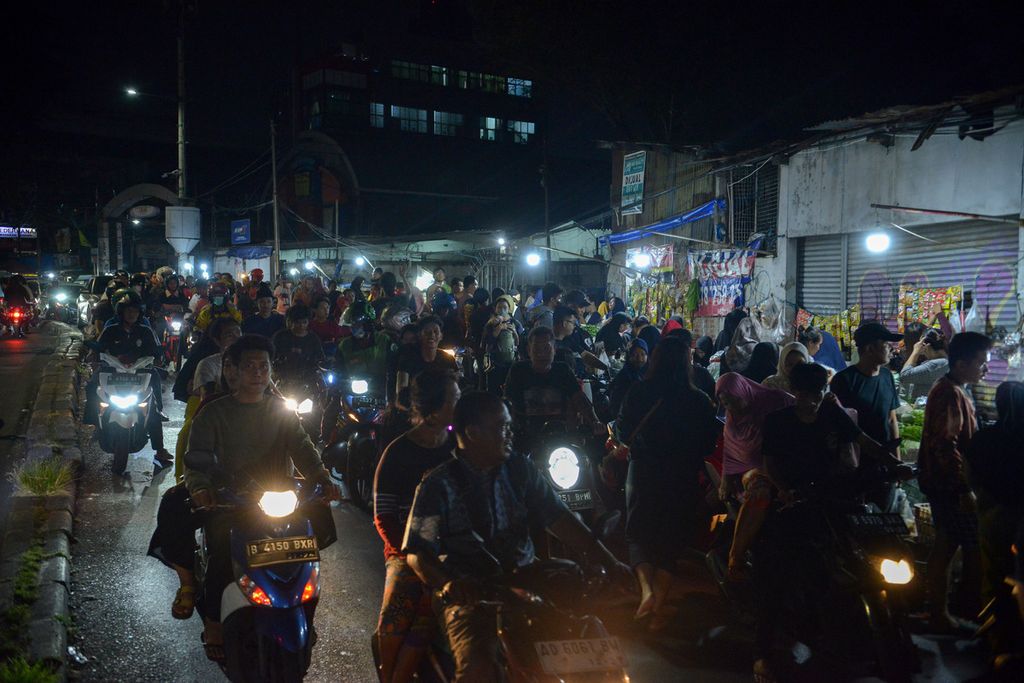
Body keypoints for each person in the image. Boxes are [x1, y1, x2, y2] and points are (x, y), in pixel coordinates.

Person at [402, 391, 631, 682]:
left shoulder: (520, 469)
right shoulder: (437, 484)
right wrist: (450, 583)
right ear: (472, 433)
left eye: (509, 426)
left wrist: (610, 562)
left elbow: (559, 518)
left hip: (528, 581)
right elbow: (417, 554)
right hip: (473, 595)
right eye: (502, 428)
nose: (510, 434)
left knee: (591, 640)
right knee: (479, 669)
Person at [184, 334, 339, 661]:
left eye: (263, 367)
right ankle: (213, 620)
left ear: (271, 372)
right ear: (232, 372)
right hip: (231, 498)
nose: (257, 373)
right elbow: (196, 458)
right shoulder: (213, 413)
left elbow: (304, 450)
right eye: (249, 367)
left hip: (280, 497)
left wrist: (322, 478)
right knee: (223, 551)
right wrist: (201, 488)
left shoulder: (281, 412)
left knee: (309, 548)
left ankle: (306, 617)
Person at [755, 362, 901, 680]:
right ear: (795, 392)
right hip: (793, 505)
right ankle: (763, 653)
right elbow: (770, 463)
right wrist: (785, 491)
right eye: (807, 394)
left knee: (849, 562)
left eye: (819, 393)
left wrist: (894, 463)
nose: (813, 400)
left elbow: (862, 441)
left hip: (829, 500)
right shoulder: (778, 422)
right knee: (776, 578)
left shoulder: (830, 414)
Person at [616, 336, 717, 630]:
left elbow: (623, 428)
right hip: (682, 478)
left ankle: (646, 592)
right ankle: (658, 605)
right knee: (670, 542)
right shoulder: (698, 400)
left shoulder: (639, 391)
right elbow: (709, 443)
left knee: (639, 534)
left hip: (644, 471)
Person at [373, 370, 459, 683]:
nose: (459, 406)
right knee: (396, 617)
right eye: (454, 400)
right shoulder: (397, 452)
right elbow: (384, 516)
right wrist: (409, 555)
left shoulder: (460, 448)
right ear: (435, 408)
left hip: (457, 548)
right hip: (406, 551)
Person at [918, 331, 991, 632]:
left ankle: (939, 610)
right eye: (981, 363)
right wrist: (963, 488)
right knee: (953, 545)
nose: (985, 369)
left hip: (945, 482)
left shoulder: (956, 388)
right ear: (961, 364)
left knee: (947, 545)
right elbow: (946, 445)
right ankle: (942, 612)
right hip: (947, 484)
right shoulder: (949, 393)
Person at [715, 372, 794, 576]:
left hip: (785, 465)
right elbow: (731, 452)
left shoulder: (776, 400)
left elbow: (803, 412)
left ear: (744, 391)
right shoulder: (732, 419)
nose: (731, 407)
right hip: (750, 470)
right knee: (760, 492)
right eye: (726, 403)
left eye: (734, 400)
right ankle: (736, 557)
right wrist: (725, 480)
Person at [967, 380, 1024, 659]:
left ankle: (996, 641)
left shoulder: (983, 439)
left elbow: (970, 476)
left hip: (993, 517)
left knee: (993, 578)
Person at [90, 289, 173, 466]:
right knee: (91, 386)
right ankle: (93, 422)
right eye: (128, 311)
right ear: (121, 312)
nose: (132, 314)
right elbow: (97, 349)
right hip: (113, 372)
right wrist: (94, 358)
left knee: (153, 404)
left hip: (140, 373)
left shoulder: (145, 331)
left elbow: (157, 351)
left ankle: (159, 449)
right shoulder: (111, 329)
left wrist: (160, 357)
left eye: (135, 311)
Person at [502, 326, 604, 453]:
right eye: (537, 349)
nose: (542, 354)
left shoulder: (563, 370)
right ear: (529, 350)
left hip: (561, 437)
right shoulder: (518, 371)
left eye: (546, 348)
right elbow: (507, 403)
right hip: (527, 438)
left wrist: (595, 421)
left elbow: (579, 399)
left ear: (554, 350)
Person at [173, 317, 242, 482]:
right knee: (189, 430)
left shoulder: (251, 362)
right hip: (206, 404)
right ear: (217, 340)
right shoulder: (208, 364)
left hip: (245, 405)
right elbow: (207, 397)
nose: (235, 338)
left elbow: (270, 388)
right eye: (228, 335)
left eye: (237, 333)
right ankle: (182, 477)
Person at [830, 321, 903, 447]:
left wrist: (895, 459)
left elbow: (891, 420)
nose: (891, 348)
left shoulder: (887, 376)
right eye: (886, 344)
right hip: (857, 460)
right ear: (869, 349)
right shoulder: (844, 380)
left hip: (884, 457)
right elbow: (840, 426)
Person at [395, 316, 458, 411]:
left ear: (441, 336)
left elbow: (456, 385)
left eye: (435, 332)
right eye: (427, 332)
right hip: (414, 409)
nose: (431, 335)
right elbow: (401, 387)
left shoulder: (448, 359)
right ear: (420, 336)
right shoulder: (408, 358)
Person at [271, 303, 325, 381]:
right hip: (283, 379)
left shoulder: (313, 339)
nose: (301, 325)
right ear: (291, 321)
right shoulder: (280, 337)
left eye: (304, 322)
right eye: (298, 322)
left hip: (307, 381)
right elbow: (272, 357)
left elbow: (320, 359)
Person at [482, 295, 522, 394]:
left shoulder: (515, 323)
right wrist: (498, 329)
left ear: (509, 309)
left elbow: (518, 343)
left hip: (510, 362)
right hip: (495, 363)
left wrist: (514, 332)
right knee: (494, 390)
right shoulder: (490, 324)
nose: (502, 310)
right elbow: (487, 343)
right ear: (495, 309)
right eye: (499, 307)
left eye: (505, 307)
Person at [899, 324, 949, 401]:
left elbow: (905, 375)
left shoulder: (939, 364)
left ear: (927, 346)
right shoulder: (943, 362)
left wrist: (915, 351)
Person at [608, 338, 648, 419]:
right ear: (628, 356)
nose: (639, 359)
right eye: (634, 355)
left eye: (643, 354)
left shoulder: (649, 372)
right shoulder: (624, 377)